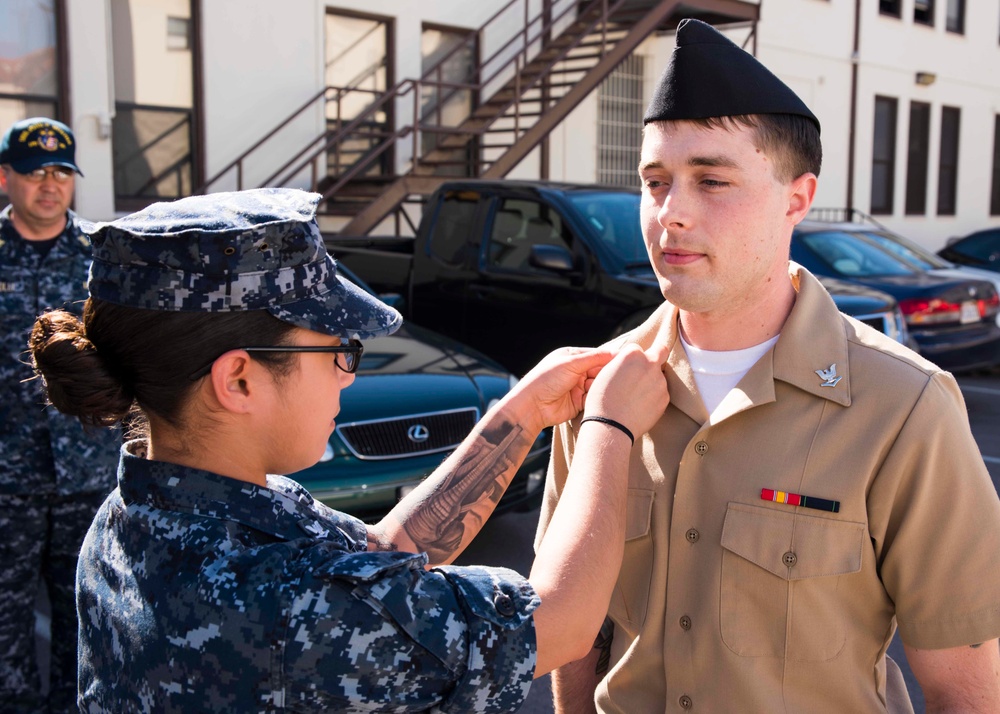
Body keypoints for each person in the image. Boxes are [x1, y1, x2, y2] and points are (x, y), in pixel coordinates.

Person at [26, 187, 670, 712]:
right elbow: (557, 625)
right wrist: (609, 429)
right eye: (335, 348)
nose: (348, 372)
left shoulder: (137, 517)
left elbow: (381, 558)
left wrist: (522, 414)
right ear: (239, 379)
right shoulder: (275, 606)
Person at [535, 18, 1000, 714]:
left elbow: (964, 688)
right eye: (655, 181)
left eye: (712, 181)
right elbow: (574, 633)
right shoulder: (605, 388)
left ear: (798, 198)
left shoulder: (902, 405)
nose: (672, 215)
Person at [0, 117, 121, 712]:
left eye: (60, 172)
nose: (49, 185)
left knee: (86, 613)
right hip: (6, 479)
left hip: (89, 473)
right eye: (33, 172)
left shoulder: (105, 255)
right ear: (5, 177)